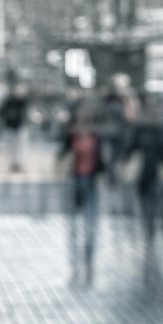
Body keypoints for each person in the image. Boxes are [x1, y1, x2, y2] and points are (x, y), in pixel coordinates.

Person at [126, 101, 163, 282]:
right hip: (143, 178)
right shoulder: (140, 132)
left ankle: (153, 238)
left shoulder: (159, 132)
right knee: (147, 211)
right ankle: (149, 238)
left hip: (156, 179)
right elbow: (129, 150)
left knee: (154, 210)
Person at [60, 109, 103, 286]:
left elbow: (101, 158)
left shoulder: (95, 135)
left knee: (90, 224)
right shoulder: (72, 135)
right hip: (75, 181)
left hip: (91, 182)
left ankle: (89, 260)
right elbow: (63, 153)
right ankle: (75, 262)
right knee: (74, 225)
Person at [0, 83, 29, 172]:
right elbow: (1, 111)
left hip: (20, 125)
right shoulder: (8, 101)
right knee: (12, 146)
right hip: (10, 126)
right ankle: (13, 163)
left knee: (20, 146)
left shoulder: (23, 101)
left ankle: (18, 163)